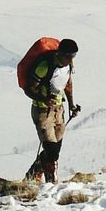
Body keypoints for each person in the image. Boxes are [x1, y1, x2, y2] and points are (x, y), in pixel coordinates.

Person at [23, 38, 80, 183]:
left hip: (58, 110)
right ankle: (50, 184)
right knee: (52, 152)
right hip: (42, 112)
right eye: (68, 56)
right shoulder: (44, 66)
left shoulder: (66, 66)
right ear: (60, 53)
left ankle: (33, 175)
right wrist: (43, 99)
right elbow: (29, 89)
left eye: (73, 56)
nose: (70, 60)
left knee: (55, 151)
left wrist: (72, 105)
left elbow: (67, 85)